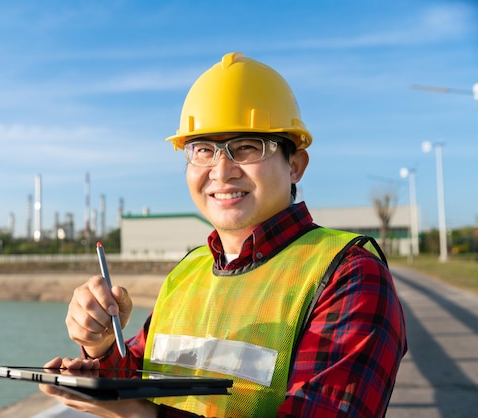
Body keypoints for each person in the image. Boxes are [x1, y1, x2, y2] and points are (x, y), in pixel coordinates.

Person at [40, 52, 407, 417]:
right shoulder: (189, 271)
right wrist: (101, 347)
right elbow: (140, 375)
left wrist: (142, 416)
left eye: (247, 147)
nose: (222, 170)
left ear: (295, 166)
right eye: (203, 150)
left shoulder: (348, 275)